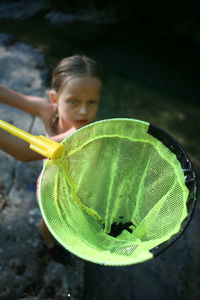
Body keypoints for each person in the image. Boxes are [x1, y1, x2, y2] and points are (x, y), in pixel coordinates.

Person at [0, 54, 102, 256]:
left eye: (92, 102)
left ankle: (47, 236)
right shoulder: (47, 110)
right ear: (55, 99)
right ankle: (48, 243)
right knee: (51, 217)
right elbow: (11, 96)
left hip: (74, 185)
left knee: (58, 216)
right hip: (50, 181)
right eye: (73, 102)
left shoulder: (81, 134)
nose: (84, 111)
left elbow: (24, 152)